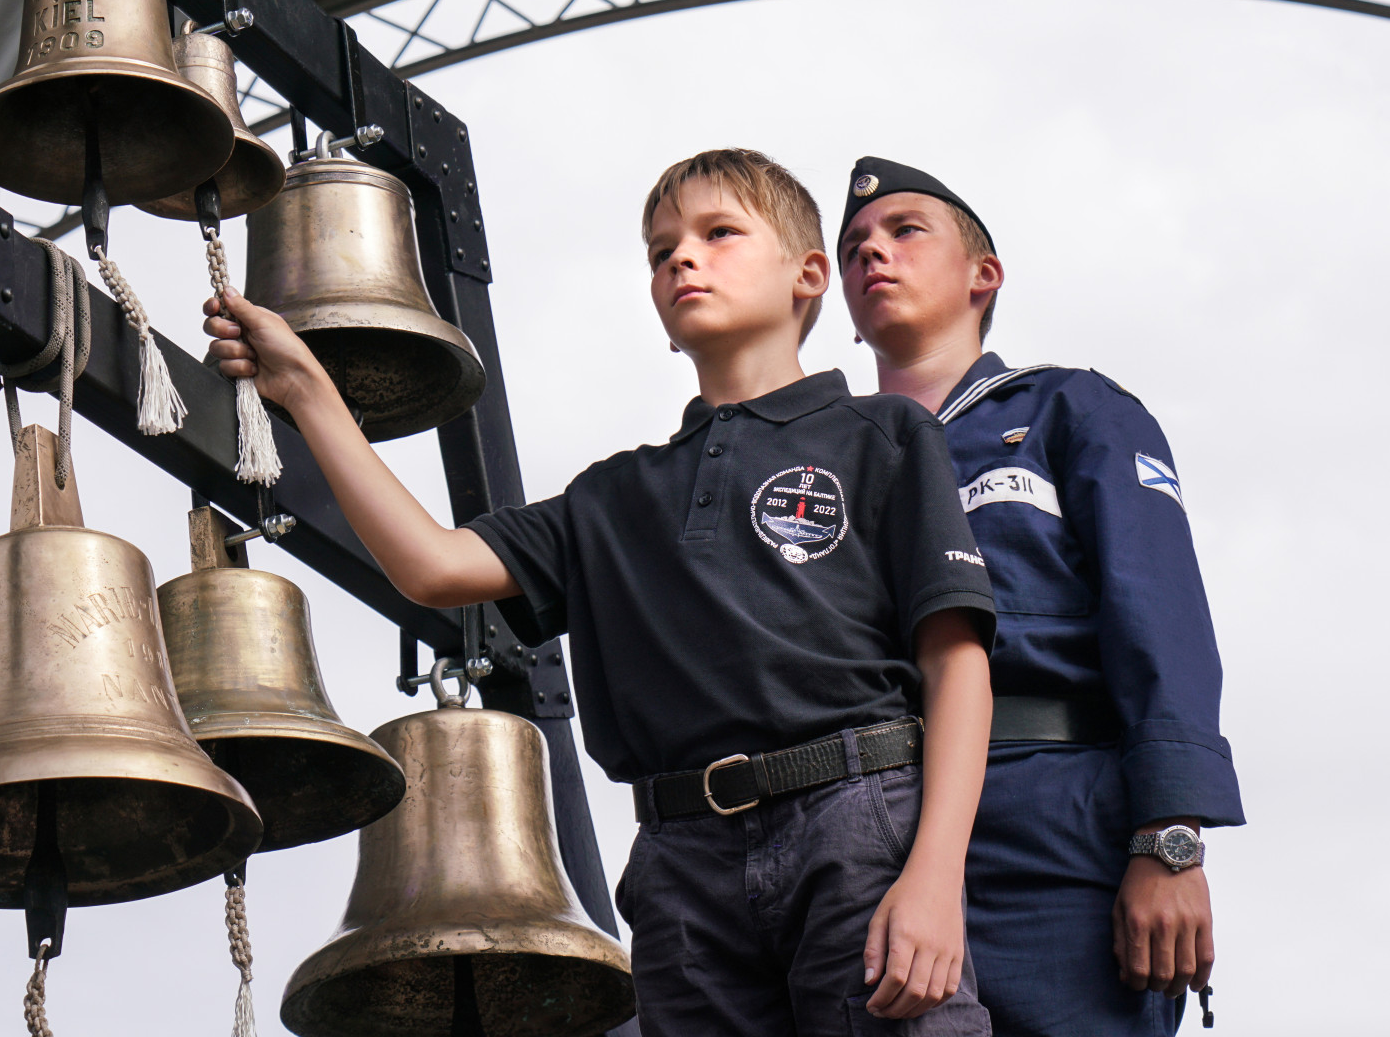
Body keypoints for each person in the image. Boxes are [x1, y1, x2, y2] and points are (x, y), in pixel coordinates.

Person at [206, 148, 997, 1035]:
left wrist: (934, 876)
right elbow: (431, 565)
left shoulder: (883, 434)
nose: (681, 261)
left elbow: (956, 660)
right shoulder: (611, 496)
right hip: (680, 859)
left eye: (718, 234)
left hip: (857, 825)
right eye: (660, 252)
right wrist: (311, 393)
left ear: (808, 275)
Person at [835, 156, 1245, 1036]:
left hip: (1046, 822)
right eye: (853, 246)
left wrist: (1166, 839)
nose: (873, 252)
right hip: (861, 831)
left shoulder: (1070, 412)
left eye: (904, 231)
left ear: (982, 275)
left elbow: (1158, 612)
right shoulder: (823, 468)